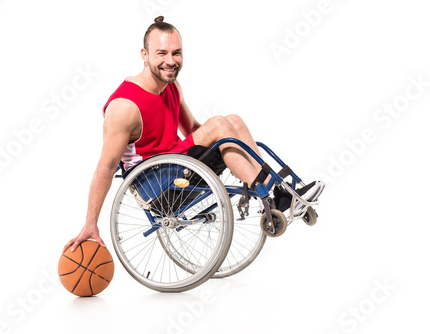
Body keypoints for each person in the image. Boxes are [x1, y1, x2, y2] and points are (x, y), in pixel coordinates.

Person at [63, 16, 323, 252]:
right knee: (220, 124)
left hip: (178, 163)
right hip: (157, 184)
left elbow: (194, 132)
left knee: (232, 121)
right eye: (161, 53)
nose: (170, 61)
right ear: (144, 54)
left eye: (176, 53)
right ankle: (276, 196)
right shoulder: (124, 107)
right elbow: (106, 167)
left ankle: (279, 190)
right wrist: (90, 223)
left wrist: (223, 137)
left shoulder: (171, 85)